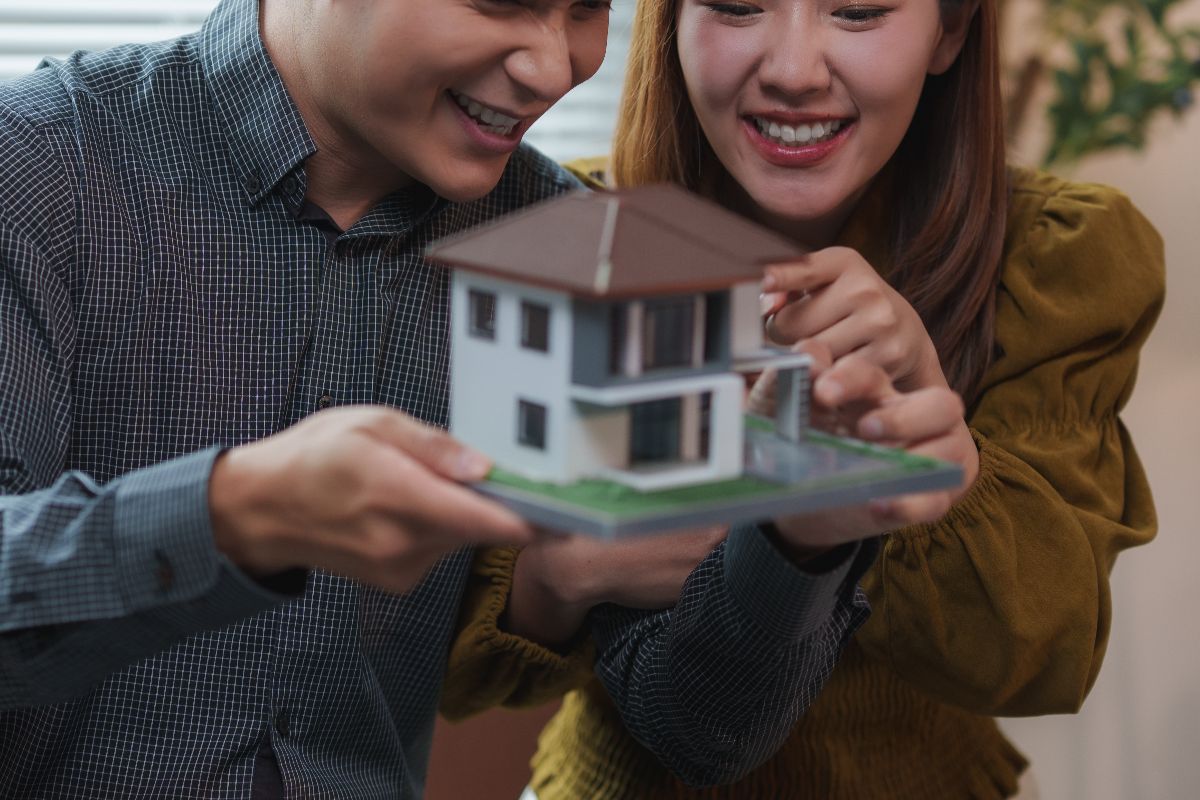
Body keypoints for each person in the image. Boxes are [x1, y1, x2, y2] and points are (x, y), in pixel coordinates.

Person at [0, 0, 972, 796]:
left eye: (587, 9)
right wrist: (240, 514)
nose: (554, 69)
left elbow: (699, 728)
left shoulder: (576, 254)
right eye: (504, 1)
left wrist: (804, 535)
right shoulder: (41, 167)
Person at [440, 0, 1165, 797]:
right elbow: (410, 652)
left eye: (856, 12)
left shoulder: (1052, 258)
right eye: (738, 6)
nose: (793, 71)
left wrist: (922, 447)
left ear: (950, 30)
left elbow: (1042, 651)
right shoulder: (557, 236)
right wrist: (565, 570)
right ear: (667, 23)